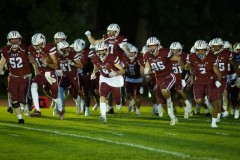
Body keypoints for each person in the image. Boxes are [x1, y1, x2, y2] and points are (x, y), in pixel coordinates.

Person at [85, 23, 128, 113]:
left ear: (117, 32)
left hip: (117, 63)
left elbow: (129, 54)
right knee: (106, 85)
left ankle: (121, 94)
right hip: (105, 62)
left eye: (113, 32)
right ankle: (109, 105)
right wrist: (89, 36)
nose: (111, 33)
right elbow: (94, 42)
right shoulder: (106, 37)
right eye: (109, 31)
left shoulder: (121, 39)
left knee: (116, 85)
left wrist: (125, 49)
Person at [0, 30, 36, 124]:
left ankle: (28, 103)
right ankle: (20, 118)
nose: (15, 42)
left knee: (23, 99)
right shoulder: (6, 50)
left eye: (16, 39)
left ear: (20, 39)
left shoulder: (25, 49)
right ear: (9, 40)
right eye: (13, 40)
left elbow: (33, 62)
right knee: (14, 99)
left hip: (25, 76)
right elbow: (1, 64)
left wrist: (37, 73)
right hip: (13, 77)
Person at [185, 40, 222, 128]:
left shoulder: (212, 57)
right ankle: (205, 101)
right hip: (199, 80)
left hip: (210, 80)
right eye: (198, 50)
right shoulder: (192, 57)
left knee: (215, 103)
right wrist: (190, 72)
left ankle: (213, 122)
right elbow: (188, 66)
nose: (200, 52)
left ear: (207, 50)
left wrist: (218, 81)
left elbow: (219, 74)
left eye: (202, 50)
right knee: (198, 100)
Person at [143, 37, 179, 125]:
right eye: (150, 46)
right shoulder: (147, 55)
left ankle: (170, 101)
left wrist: (180, 69)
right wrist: (147, 69)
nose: (152, 48)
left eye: (154, 45)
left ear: (158, 45)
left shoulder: (165, 52)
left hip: (169, 75)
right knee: (162, 102)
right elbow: (148, 62)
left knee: (164, 90)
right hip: (158, 78)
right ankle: (173, 117)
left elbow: (177, 59)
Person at [28, 33, 63, 119]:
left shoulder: (49, 48)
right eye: (35, 45)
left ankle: (61, 110)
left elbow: (55, 66)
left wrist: (46, 63)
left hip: (50, 73)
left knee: (55, 97)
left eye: (38, 45)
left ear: (43, 42)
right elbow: (34, 62)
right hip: (40, 74)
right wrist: (36, 71)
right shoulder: (31, 49)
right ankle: (37, 110)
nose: (36, 47)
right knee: (33, 87)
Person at [91, 41, 125, 123]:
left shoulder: (112, 58)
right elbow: (96, 66)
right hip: (104, 79)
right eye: (99, 51)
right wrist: (94, 73)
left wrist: (116, 73)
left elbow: (122, 70)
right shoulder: (95, 58)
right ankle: (103, 116)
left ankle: (118, 102)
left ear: (107, 50)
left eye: (103, 50)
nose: (100, 53)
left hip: (115, 79)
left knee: (117, 98)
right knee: (102, 95)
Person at [209, 38, 239, 118]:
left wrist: (238, 76)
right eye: (214, 46)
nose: (215, 48)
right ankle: (221, 111)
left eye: (217, 46)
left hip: (228, 76)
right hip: (215, 77)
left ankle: (232, 109)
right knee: (217, 95)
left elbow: (234, 65)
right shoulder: (210, 54)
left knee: (231, 94)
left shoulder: (227, 54)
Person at [57, 40, 84, 116]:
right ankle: (61, 108)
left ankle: (77, 103)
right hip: (64, 77)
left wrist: (73, 63)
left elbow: (81, 65)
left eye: (67, 48)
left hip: (73, 77)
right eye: (64, 49)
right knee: (60, 90)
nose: (66, 50)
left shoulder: (73, 54)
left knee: (75, 95)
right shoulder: (57, 56)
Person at [169, 42, 192, 119]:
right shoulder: (169, 57)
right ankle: (187, 106)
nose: (175, 52)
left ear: (180, 49)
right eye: (173, 50)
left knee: (181, 91)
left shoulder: (186, 56)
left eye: (176, 50)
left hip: (184, 77)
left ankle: (187, 109)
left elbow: (188, 68)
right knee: (179, 95)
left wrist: (191, 77)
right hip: (174, 78)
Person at [121, 43, 144, 115]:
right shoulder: (125, 58)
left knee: (137, 95)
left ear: (135, 53)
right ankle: (132, 102)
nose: (130, 54)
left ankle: (138, 109)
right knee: (127, 94)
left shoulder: (139, 59)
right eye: (129, 52)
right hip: (128, 79)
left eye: (132, 52)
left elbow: (142, 70)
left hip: (138, 79)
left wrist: (143, 83)